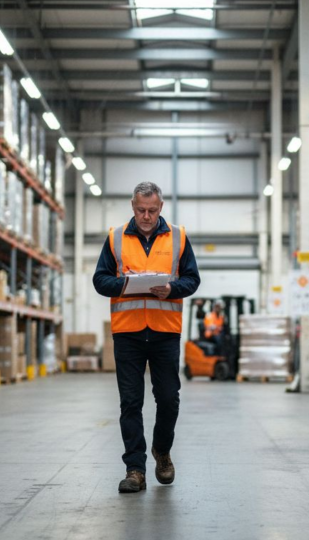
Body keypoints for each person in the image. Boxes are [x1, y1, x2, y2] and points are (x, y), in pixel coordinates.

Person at [92, 181, 201, 493]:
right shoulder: (115, 237)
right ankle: (135, 470)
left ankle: (162, 451)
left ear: (161, 207)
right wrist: (126, 285)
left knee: (168, 399)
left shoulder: (178, 237)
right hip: (128, 332)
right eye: (141, 210)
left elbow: (192, 279)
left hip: (165, 331)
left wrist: (171, 289)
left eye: (152, 210)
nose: (146, 216)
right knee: (130, 402)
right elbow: (100, 280)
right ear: (132, 206)